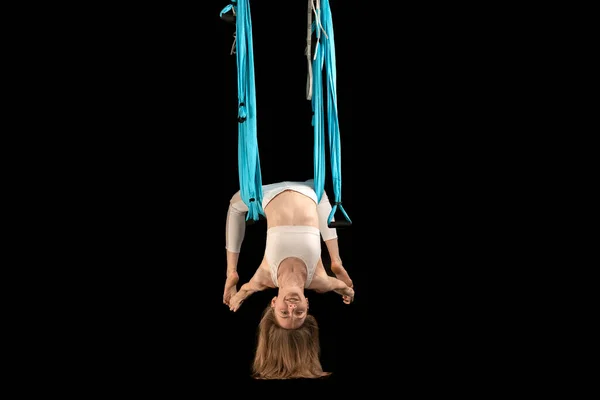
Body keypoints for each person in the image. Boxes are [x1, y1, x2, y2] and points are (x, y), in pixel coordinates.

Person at [223, 179, 354, 379]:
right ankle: (336, 260)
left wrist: (232, 281)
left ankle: (337, 259)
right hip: (310, 192)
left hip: (268, 194)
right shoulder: (320, 280)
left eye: (284, 313)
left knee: (235, 206)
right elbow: (346, 289)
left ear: (273, 303)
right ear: (307, 304)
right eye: (299, 312)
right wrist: (346, 290)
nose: (291, 307)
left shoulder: (263, 278)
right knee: (320, 192)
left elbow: (243, 291)